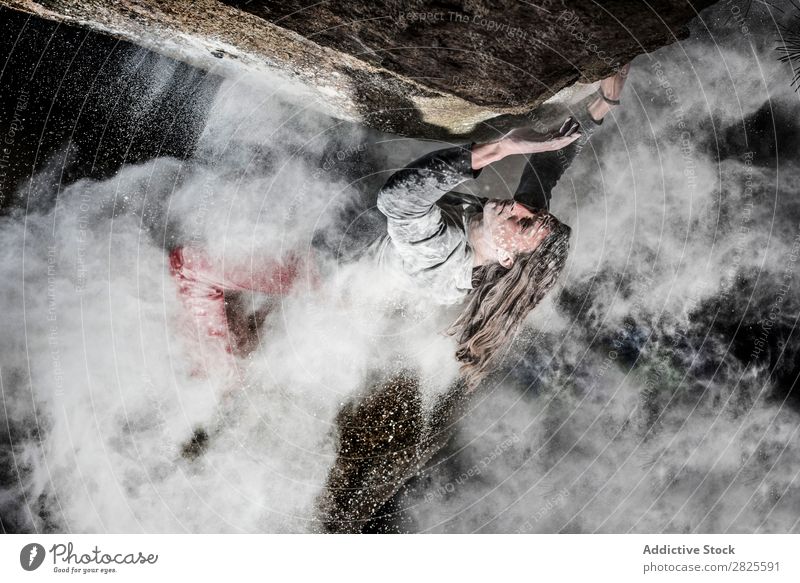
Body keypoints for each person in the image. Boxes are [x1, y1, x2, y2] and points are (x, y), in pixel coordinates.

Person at [168, 65, 629, 387]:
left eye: (526, 222)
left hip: (328, 273)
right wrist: (602, 105)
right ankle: (250, 336)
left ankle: (217, 378)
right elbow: (547, 168)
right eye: (532, 212)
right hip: (353, 229)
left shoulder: (437, 258)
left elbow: (400, 200)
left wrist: (499, 148)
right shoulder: (509, 227)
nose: (519, 208)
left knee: (190, 266)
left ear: (508, 258)